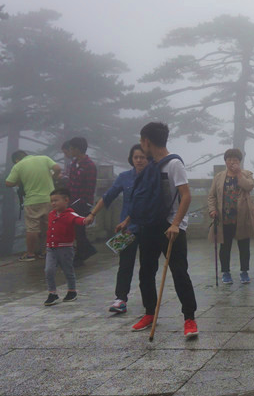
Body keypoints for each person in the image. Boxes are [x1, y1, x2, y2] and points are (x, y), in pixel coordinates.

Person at [127, 122, 199, 338]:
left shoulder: (174, 164)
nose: (141, 145)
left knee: (179, 272)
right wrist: (129, 220)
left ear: (147, 141)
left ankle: (189, 318)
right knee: (146, 272)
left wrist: (176, 224)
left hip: (171, 226)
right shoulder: (151, 165)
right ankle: (150, 312)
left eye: (142, 141)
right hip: (149, 224)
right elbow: (144, 197)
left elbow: (186, 195)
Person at [86, 144, 146, 314]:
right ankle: (120, 299)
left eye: (143, 157)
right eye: (136, 157)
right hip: (127, 229)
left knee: (148, 266)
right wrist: (92, 214)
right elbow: (107, 197)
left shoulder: (152, 177)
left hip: (148, 227)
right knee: (125, 264)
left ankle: (148, 298)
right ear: (131, 159)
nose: (139, 160)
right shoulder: (124, 177)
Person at [207, 149, 254, 284]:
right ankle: (226, 272)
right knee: (225, 246)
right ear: (225, 161)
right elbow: (212, 196)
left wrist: (239, 173)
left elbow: (249, 186)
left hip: (242, 217)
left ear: (239, 161)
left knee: (244, 246)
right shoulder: (219, 177)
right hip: (224, 217)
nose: (232, 162)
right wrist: (212, 210)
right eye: (229, 160)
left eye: (235, 160)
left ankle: (244, 271)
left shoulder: (247, 174)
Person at [5, 150, 62, 262]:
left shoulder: (19, 166)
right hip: (50, 199)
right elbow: (58, 169)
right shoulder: (44, 158)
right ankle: (46, 252)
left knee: (32, 228)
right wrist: (53, 177)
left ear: (16, 160)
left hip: (32, 201)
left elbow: (8, 183)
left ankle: (30, 254)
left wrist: (21, 181)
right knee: (48, 226)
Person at [43, 188, 90, 306]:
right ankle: (52, 293)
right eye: (52, 201)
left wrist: (87, 220)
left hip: (65, 248)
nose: (53, 203)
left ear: (66, 200)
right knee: (48, 270)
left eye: (56, 200)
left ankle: (72, 291)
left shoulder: (70, 214)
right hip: (51, 248)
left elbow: (79, 220)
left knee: (67, 270)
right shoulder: (51, 214)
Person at [63, 137, 98, 263]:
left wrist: (86, 203)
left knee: (78, 229)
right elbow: (70, 183)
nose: (70, 151)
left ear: (78, 149)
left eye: (72, 149)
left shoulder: (89, 165)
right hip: (72, 200)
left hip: (82, 202)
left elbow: (90, 187)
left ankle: (82, 253)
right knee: (75, 229)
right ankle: (85, 251)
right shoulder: (74, 164)